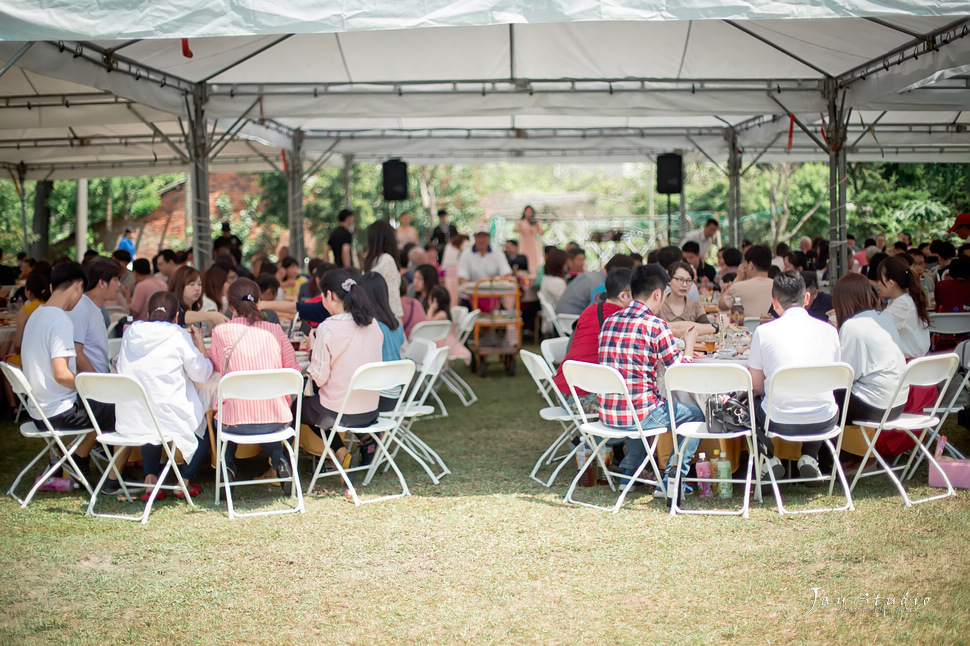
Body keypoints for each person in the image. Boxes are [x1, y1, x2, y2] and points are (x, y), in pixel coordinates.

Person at [597, 264, 703, 495]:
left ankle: (628, 475)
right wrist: (689, 345)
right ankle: (672, 480)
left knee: (643, 403)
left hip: (607, 414)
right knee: (696, 413)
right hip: (639, 416)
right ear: (658, 294)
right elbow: (679, 375)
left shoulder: (609, 322)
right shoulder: (656, 326)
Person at [20, 261, 121, 491]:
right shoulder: (60, 320)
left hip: (38, 410)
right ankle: (101, 472)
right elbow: (61, 374)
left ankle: (79, 458)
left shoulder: (36, 315)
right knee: (122, 408)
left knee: (106, 404)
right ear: (78, 286)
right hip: (58, 412)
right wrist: (90, 384)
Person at [118, 291, 214, 499]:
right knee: (205, 425)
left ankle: (150, 479)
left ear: (148, 313)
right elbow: (202, 373)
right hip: (168, 414)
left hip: (131, 415)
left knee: (149, 415)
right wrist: (199, 344)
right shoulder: (177, 335)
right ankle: (184, 481)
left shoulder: (131, 332)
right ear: (176, 317)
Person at [747, 271, 841, 480]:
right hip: (824, 419)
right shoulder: (830, 331)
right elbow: (834, 379)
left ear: (774, 302)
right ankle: (809, 456)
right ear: (807, 298)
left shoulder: (764, 332)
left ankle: (769, 459)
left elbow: (756, 386)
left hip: (778, 420)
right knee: (818, 393)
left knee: (749, 403)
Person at [208, 278, 300, 494]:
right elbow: (294, 371)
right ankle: (279, 460)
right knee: (261, 418)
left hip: (235, 423)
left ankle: (227, 467)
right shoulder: (275, 330)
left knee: (227, 414)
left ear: (230, 306)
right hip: (277, 421)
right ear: (258, 302)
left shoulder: (221, 331)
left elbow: (217, 366)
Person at [300, 270, 383, 469]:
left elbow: (319, 379)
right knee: (322, 406)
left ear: (330, 295)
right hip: (370, 411)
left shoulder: (327, 328)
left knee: (297, 407)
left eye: (322, 296)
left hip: (339, 412)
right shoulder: (374, 324)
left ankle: (336, 452)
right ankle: (346, 448)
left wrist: (313, 351)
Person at [552, 268, 633, 414]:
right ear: (624, 296)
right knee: (640, 404)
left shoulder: (591, 309)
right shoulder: (621, 319)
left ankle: (593, 437)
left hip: (562, 388)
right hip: (579, 395)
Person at [832, 273, 907, 423]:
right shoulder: (883, 318)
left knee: (823, 396)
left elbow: (845, 376)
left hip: (874, 406)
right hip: (898, 403)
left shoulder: (852, 326)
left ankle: (830, 446)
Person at [359, 272, 407, 415]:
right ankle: (369, 438)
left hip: (378, 396)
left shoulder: (370, 325)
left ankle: (368, 438)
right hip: (394, 393)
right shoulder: (395, 322)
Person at [68, 258, 121, 374]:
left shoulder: (95, 307)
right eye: (116, 280)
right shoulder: (81, 307)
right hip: (92, 384)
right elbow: (76, 352)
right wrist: (97, 381)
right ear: (102, 283)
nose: (119, 284)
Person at [877, 255, 930, 359]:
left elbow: (876, 326)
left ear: (891, 283)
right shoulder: (906, 299)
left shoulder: (903, 304)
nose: (878, 283)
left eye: (880, 279)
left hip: (907, 365)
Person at [557, 254, 637, 315]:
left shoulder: (591, 276)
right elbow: (597, 311)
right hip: (573, 321)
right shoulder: (600, 284)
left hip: (563, 320)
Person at [658, 262, 716, 337]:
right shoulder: (659, 305)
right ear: (669, 280)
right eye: (680, 279)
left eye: (689, 280)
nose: (685, 285)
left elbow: (708, 330)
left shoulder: (695, 306)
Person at [6, 271, 50, 368]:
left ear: (29, 292)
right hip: (49, 356)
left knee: (7, 361)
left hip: (30, 357)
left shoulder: (25, 310)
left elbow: (17, 346)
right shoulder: (51, 306)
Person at [363, 220, 404, 320]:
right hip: (387, 320)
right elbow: (393, 299)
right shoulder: (386, 260)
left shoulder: (371, 262)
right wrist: (399, 328)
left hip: (373, 319)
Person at [718, 244, 774, 317]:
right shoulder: (778, 286)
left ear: (751, 265)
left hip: (749, 328)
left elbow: (722, 305)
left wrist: (738, 278)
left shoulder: (739, 287)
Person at [538, 248, 567, 334]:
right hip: (560, 321)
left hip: (551, 319)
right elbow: (566, 302)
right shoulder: (557, 282)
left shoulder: (546, 278)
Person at [513, 205, 543, 276]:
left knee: (534, 260)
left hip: (533, 244)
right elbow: (515, 230)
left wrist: (536, 224)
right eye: (527, 211)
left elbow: (541, 232)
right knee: (524, 258)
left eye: (530, 211)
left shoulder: (535, 222)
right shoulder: (521, 222)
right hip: (524, 243)